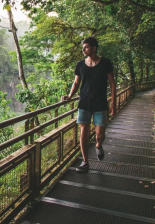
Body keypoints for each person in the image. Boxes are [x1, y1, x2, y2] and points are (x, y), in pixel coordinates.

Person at [61, 37, 116, 173]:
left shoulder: (105, 63)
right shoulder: (80, 65)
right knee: (83, 132)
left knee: (100, 134)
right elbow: (76, 83)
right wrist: (70, 96)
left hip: (100, 103)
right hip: (84, 102)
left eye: (86, 47)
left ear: (94, 48)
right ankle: (85, 161)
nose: (83, 50)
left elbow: (113, 84)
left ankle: (98, 145)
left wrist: (113, 103)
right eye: (83, 47)